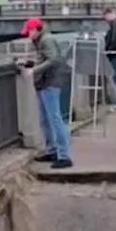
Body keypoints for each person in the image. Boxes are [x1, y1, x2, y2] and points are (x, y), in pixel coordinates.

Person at [21, 17, 74, 169]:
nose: (28, 35)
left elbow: (54, 60)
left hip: (50, 83)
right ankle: (52, 151)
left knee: (55, 119)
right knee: (45, 119)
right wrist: (30, 63)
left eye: (29, 32)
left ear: (35, 29)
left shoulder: (46, 40)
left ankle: (64, 155)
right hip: (45, 83)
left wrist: (34, 70)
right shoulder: (42, 40)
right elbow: (47, 58)